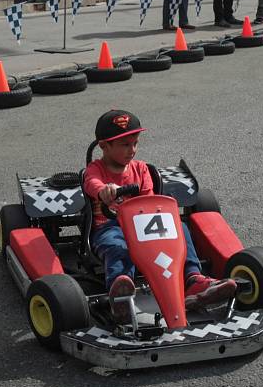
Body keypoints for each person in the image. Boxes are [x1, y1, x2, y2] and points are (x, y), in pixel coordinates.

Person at [83, 109, 237, 323]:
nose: (132, 150)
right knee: (118, 247)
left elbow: (148, 201)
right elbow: (92, 184)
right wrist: (104, 190)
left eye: (135, 143)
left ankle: (193, 280)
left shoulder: (141, 169)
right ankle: (121, 292)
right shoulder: (95, 169)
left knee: (180, 229)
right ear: (104, 146)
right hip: (111, 227)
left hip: (143, 226)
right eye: (125, 145)